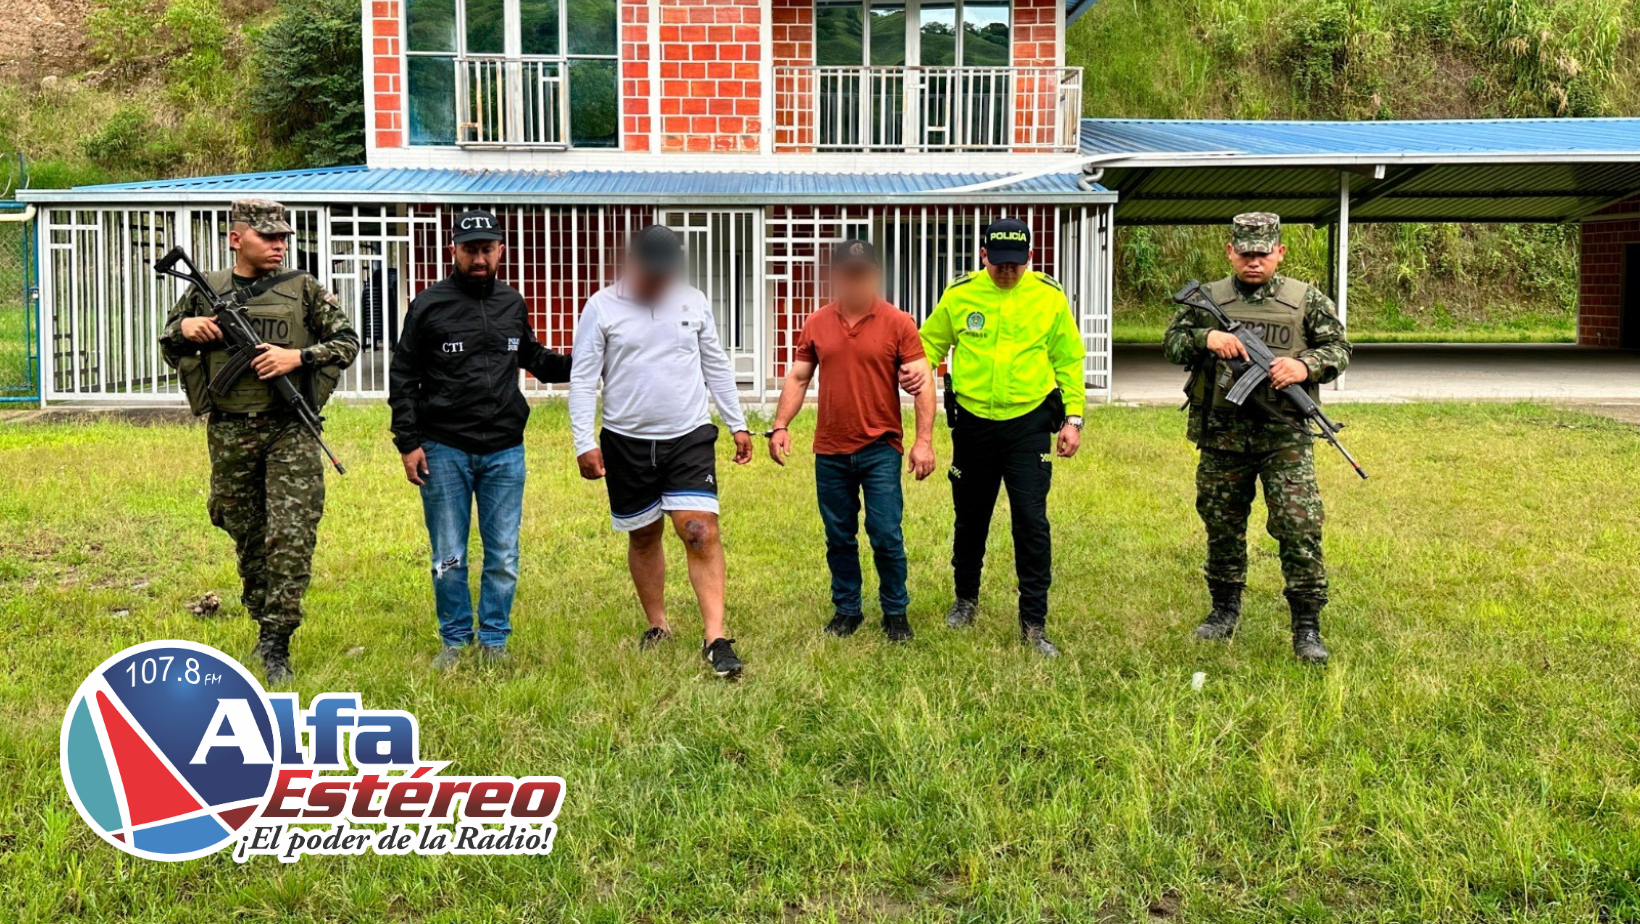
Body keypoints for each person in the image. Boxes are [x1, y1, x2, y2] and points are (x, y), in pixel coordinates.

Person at [159, 198, 360, 684]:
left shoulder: (304, 288)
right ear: (236, 238)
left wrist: (298, 358)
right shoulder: (206, 289)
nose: (279, 245)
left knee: (290, 534)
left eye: (283, 237)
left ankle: (276, 640)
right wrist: (185, 328)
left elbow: (349, 342)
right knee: (245, 532)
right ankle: (259, 615)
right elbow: (168, 343)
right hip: (230, 430)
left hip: (289, 427)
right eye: (267, 236)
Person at [1162, 212, 1353, 664]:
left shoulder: (1306, 300)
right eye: (1245, 253)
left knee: (1298, 526)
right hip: (1222, 434)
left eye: (1263, 254)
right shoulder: (1208, 299)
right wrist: (1207, 338)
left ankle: (1306, 625)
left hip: (1284, 435)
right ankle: (1224, 610)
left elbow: (1340, 349)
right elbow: (1171, 343)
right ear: (1230, 252)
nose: (1254, 262)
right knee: (1222, 524)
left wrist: (1304, 366)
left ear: (1279, 252)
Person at [389, 209, 573, 670]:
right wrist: (408, 442)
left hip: (505, 449)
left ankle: (494, 640)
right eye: (470, 249)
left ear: (500, 250)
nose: (479, 258)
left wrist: (583, 361)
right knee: (448, 554)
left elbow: (532, 356)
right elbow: (403, 375)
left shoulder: (512, 302)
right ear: (453, 250)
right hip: (443, 448)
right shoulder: (428, 305)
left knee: (504, 553)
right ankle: (454, 642)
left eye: (487, 249)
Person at [569, 225, 754, 678]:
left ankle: (715, 638)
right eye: (649, 272)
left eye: (664, 273)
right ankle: (658, 624)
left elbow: (715, 363)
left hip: (688, 435)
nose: (656, 281)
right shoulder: (601, 306)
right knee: (644, 534)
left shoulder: (693, 301)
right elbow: (584, 377)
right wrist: (583, 441)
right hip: (626, 440)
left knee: (699, 531)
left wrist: (737, 423)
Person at [919, 218, 1085, 657]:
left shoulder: (1048, 296)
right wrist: (913, 373)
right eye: (999, 263)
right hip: (973, 424)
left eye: (1016, 263)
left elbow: (1069, 359)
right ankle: (965, 599)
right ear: (983, 256)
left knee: (1031, 522)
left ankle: (1034, 624)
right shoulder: (960, 294)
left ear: (1029, 257)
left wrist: (1074, 418)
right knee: (970, 517)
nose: (1007, 271)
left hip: (1027, 424)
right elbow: (929, 346)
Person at [768, 239, 937, 641]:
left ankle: (895, 611)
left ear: (875, 275)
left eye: (862, 273)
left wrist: (924, 441)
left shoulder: (899, 322)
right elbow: (799, 377)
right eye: (848, 273)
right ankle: (847, 610)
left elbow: (923, 382)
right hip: (830, 449)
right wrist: (780, 425)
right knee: (839, 536)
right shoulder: (817, 322)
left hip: (880, 448)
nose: (855, 280)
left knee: (886, 534)